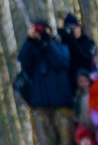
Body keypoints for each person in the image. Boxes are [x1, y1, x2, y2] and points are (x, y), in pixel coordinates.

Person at [26, 16, 82, 145]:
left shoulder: (59, 45)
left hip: (61, 102)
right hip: (42, 104)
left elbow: (61, 61)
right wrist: (30, 40)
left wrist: (47, 42)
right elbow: (23, 61)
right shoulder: (33, 49)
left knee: (67, 140)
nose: (40, 33)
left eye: (42, 30)